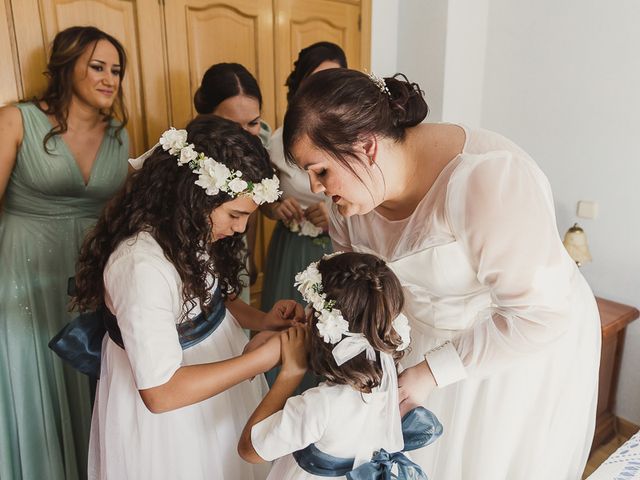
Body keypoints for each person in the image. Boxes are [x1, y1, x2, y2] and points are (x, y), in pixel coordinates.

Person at [282, 68, 601, 479]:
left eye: (321, 171)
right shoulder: (349, 203)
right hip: (418, 343)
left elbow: (540, 314)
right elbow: (358, 289)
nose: (317, 188)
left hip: (513, 347)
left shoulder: (484, 180)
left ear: (367, 147)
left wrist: (433, 372)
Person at [70, 114, 304, 480]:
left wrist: (262, 320)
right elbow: (160, 392)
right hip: (173, 418)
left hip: (216, 379)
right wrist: (263, 359)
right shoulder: (139, 266)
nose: (241, 228)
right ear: (197, 195)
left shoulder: (188, 228)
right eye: (235, 214)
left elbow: (208, 304)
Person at [0, 26, 129, 480]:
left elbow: (121, 217)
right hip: (21, 272)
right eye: (97, 67)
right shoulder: (15, 120)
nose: (109, 78)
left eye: (116, 70)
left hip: (90, 274)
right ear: (66, 66)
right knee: (32, 379)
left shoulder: (119, 135)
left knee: (85, 377)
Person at [238, 252, 442, 479]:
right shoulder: (391, 376)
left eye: (310, 308)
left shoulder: (320, 405)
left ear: (324, 325)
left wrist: (289, 374)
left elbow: (250, 450)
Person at [260, 42, 348, 311]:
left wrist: (333, 212)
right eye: (316, 81)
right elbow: (263, 198)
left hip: (341, 246)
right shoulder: (277, 141)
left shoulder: (354, 140)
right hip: (292, 249)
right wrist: (274, 208)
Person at [194, 62, 270, 294]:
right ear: (206, 117)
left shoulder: (260, 143)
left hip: (236, 242)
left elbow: (249, 208)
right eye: (231, 125)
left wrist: (250, 255)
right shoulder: (188, 156)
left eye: (253, 123)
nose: (245, 135)